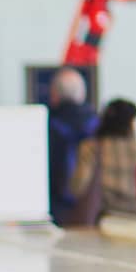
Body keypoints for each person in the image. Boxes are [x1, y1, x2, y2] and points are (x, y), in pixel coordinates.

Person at [67, 98, 136, 222]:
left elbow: (78, 186)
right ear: (131, 123)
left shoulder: (91, 148)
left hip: (105, 216)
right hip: (135, 216)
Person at [46, 66, 99, 223]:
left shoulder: (46, 126)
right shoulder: (98, 126)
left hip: (55, 208)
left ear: (54, 94)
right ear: (82, 94)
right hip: (91, 211)